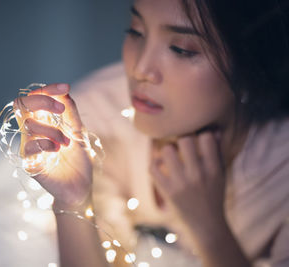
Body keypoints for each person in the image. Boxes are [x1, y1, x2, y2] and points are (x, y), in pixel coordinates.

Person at [14, 0, 289, 266]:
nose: (140, 69)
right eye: (136, 31)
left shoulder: (280, 169)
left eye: (181, 49)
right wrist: (73, 201)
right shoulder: (91, 119)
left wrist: (211, 230)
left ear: (252, 63)